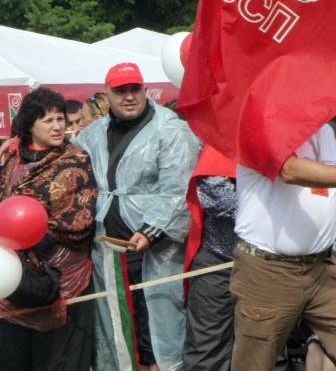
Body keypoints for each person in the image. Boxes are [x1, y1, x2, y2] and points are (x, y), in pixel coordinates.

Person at [231, 123, 336, 370]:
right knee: (254, 362)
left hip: (320, 267)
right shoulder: (258, 127)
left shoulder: (326, 132)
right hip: (267, 271)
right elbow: (289, 170)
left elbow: (321, 196)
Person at [75, 63, 201, 371]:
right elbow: (68, 163)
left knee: (159, 327)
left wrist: (152, 230)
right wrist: (19, 144)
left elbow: (178, 189)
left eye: (135, 89)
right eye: (120, 91)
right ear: (107, 95)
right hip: (108, 246)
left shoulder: (171, 129)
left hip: (156, 249)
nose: (129, 97)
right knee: (116, 326)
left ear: (145, 90)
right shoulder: (92, 134)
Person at [0, 88, 97, 371]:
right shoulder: (10, 158)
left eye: (60, 119)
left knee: (55, 362)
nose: (57, 126)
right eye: (48, 120)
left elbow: (81, 218)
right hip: (11, 278)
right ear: (30, 124)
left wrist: (32, 238)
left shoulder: (75, 160)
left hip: (61, 278)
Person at [182, 145, 237, 371]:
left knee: (267, 348)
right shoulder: (222, 143)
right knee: (207, 351)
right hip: (220, 260)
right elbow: (219, 199)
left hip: (273, 263)